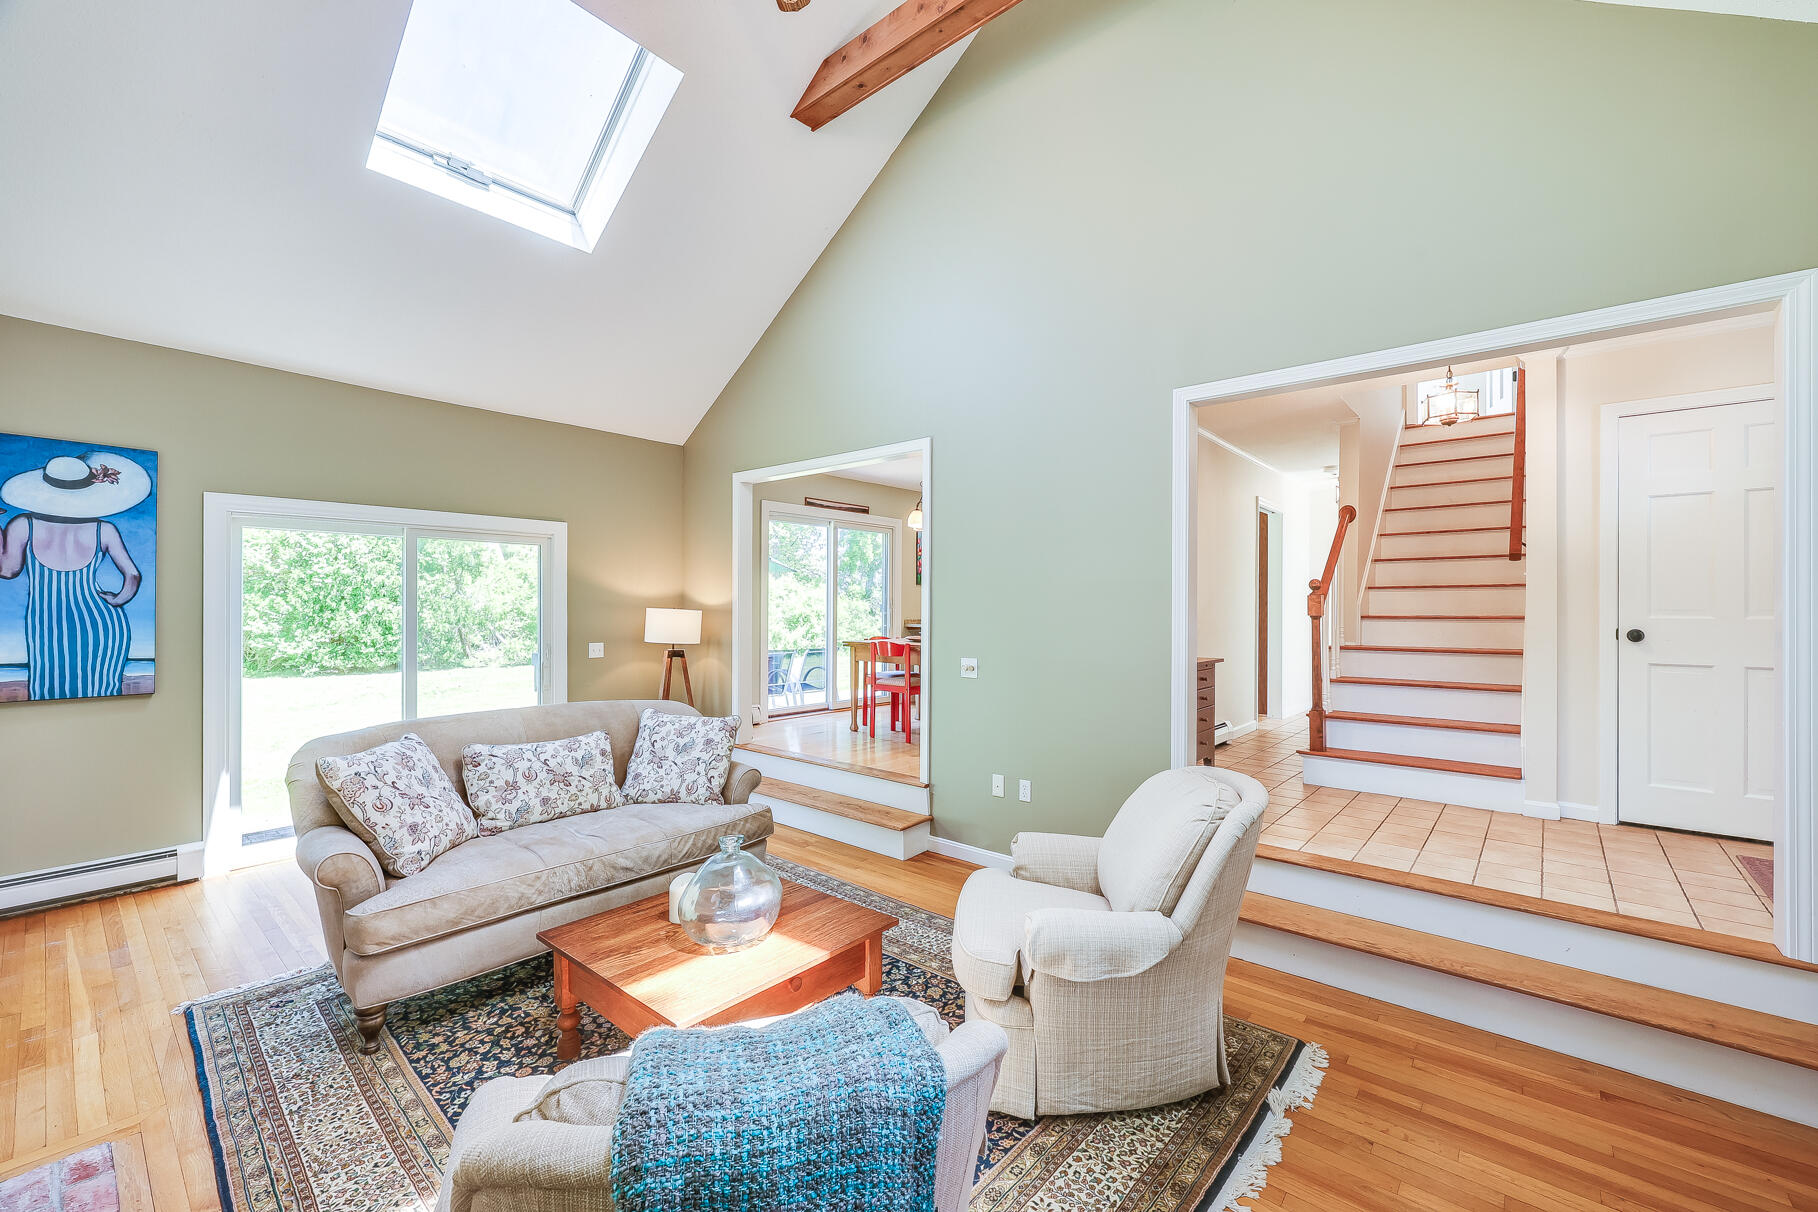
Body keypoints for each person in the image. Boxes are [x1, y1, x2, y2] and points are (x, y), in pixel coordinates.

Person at [0, 452, 151, 699]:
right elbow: (133, 575)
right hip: (103, 625)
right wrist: (117, 600)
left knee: (49, 694)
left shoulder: (22, 524)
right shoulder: (105, 529)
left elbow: (7, 570)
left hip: (48, 627)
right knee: (103, 696)